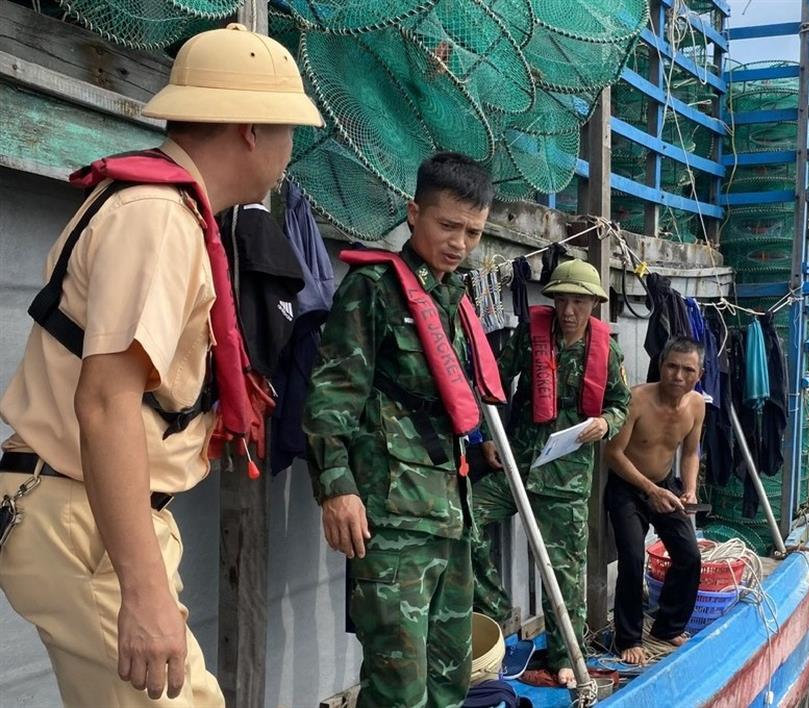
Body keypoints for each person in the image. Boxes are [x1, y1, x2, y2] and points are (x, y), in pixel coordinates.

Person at [0, 23, 322, 707]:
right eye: (288, 127)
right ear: (247, 129)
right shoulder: (156, 218)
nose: (291, 149)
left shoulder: (171, 211)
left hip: (96, 517)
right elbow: (106, 403)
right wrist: (144, 596)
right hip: (81, 519)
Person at [304, 152, 506, 708]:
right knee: (398, 691)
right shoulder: (371, 288)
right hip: (392, 521)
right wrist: (337, 488)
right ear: (414, 213)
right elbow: (331, 395)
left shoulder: (454, 299)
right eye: (448, 225)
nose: (460, 242)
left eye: (473, 231)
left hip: (449, 514)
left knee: (449, 681)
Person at [473, 259, 631, 687]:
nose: (568, 311)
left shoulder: (607, 350)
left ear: (593, 305)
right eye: (561, 300)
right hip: (516, 469)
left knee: (564, 573)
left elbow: (621, 403)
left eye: (578, 301)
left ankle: (564, 655)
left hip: (566, 481)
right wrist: (482, 437)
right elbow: (488, 384)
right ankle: (498, 608)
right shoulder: (529, 336)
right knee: (461, 518)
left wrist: (606, 424)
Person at [604, 336, 706, 664]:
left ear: (699, 374)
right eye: (672, 366)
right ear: (660, 366)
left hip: (665, 485)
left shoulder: (697, 405)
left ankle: (667, 627)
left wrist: (688, 489)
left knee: (689, 555)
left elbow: (690, 452)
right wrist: (650, 490)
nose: (678, 375)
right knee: (633, 558)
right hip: (628, 486)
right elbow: (613, 454)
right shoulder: (637, 400)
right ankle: (629, 638)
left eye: (687, 369)